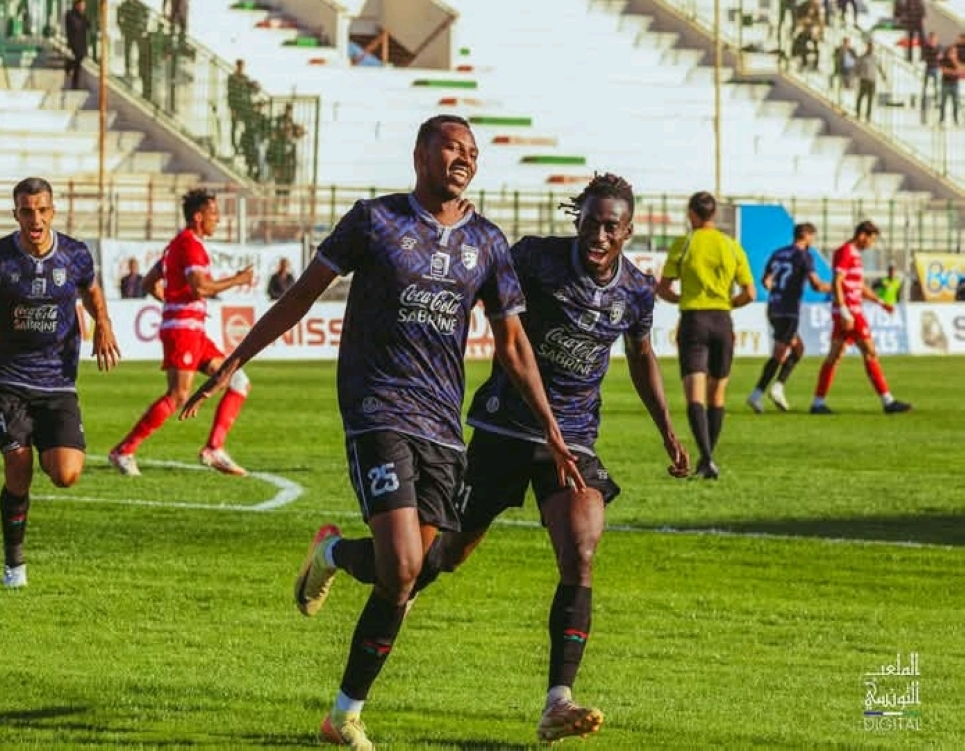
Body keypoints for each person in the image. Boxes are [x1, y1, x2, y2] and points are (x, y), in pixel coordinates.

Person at [179, 114, 584, 751]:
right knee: (400, 565)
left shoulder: (488, 242)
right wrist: (235, 358)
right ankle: (348, 713)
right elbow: (302, 296)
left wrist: (551, 428)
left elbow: (512, 342)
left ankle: (340, 679)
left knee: (415, 572)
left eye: (473, 152)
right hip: (378, 409)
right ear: (421, 152)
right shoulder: (375, 220)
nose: (466, 158)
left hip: (443, 427)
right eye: (453, 146)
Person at [290, 173, 691, 744]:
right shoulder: (535, 258)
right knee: (435, 560)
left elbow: (642, 355)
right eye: (591, 220)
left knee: (581, 548)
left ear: (628, 230)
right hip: (503, 427)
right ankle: (334, 555)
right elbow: (479, 295)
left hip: (572, 439)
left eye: (612, 225)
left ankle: (559, 701)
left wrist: (668, 430)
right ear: (577, 218)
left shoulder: (635, 292)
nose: (600, 234)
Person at [0, 177, 120, 588]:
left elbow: (91, 292)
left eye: (42, 210)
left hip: (58, 381)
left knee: (66, 473)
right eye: (27, 211)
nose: (35, 218)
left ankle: (35, 439)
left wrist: (102, 322)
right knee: (18, 471)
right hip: (7, 378)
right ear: (16, 213)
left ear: (53, 211)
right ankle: (14, 566)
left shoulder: (75, 254)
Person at [108, 189, 255, 477]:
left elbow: (151, 282)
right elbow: (200, 287)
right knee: (178, 395)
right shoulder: (189, 245)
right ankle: (124, 451)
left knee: (237, 380)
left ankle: (214, 449)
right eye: (214, 214)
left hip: (194, 330)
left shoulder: (177, 245)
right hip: (183, 331)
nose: (218, 219)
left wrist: (173, 302)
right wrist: (237, 279)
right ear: (198, 217)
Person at [656, 191, 756, 480]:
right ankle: (708, 456)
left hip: (694, 320)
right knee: (718, 393)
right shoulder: (731, 245)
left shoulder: (685, 243)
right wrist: (727, 304)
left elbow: (663, 288)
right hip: (722, 321)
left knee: (694, 393)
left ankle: (707, 457)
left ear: (691, 214)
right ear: (713, 214)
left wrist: (683, 299)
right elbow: (749, 293)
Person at [810, 221, 912, 415]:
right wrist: (844, 310)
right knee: (870, 352)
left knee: (835, 356)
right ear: (862, 235)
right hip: (851, 311)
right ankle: (888, 402)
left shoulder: (855, 255)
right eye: (871, 240)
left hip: (850, 310)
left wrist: (880, 302)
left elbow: (858, 286)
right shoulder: (845, 252)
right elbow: (837, 282)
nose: (871, 245)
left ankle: (818, 403)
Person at [747, 223, 831, 414]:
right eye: (813, 237)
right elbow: (816, 285)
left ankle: (777, 388)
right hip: (788, 310)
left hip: (773, 307)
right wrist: (837, 288)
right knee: (780, 352)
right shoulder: (804, 256)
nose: (813, 241)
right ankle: (757, 393)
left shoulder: (778, 253)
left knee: (798, 349)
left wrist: (777, 289)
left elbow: (766, 280)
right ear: (807, 236)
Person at [63, 0, 89, 89]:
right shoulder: (70, 15)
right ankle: (69, 68)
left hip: (81, 44)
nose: (83, 7)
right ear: (77, 5)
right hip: (74, 43)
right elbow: (70, 29)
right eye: (82, 5)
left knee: (78, 63)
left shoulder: (83, 16)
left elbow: (87, 26)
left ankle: (74, 82)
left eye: (84, 5)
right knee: (76, 63)